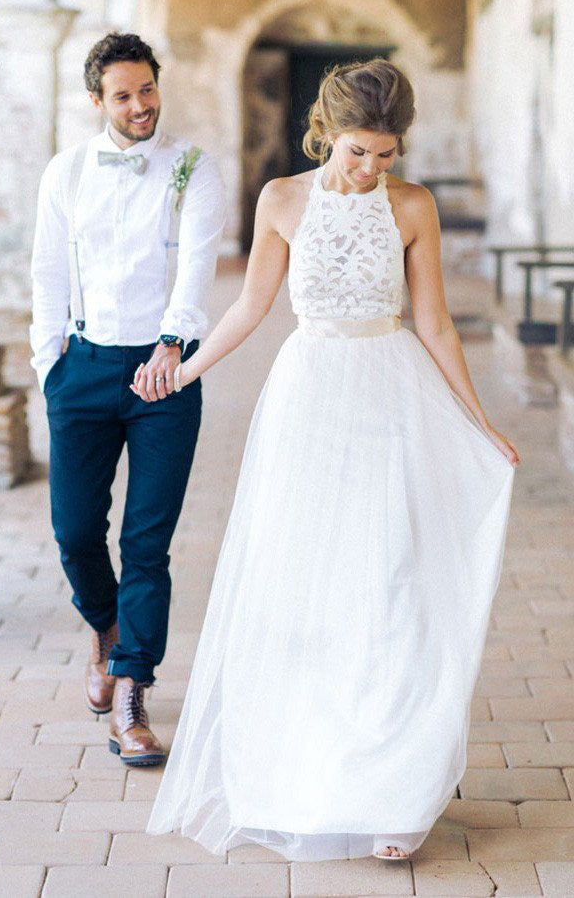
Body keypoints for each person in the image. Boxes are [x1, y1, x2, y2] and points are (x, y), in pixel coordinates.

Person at [146, 59, 518, 858]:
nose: (371, 169)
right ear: (326, 132)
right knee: (301, 584)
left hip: (392, 393)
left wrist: (480, 422)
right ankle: (302, 777)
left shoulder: (413, 206)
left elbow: (438, 325)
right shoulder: (282, 199)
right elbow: (250, 304)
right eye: (357, 152)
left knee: (389, 581)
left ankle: (393, 793)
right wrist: (184, 369)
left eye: (386, 155)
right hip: (308, 398)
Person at [30, 32, 225, 766]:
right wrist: (49, 364)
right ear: (97, 102)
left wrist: (174, 345)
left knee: (146, 542)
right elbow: (49, 271)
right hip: (80, 370)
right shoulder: (65, 172)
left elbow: (199, 266)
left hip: (164, 375)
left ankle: (132, 688)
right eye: (123, 95)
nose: (141, 106)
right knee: (76, 532)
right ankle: (106, 629)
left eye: (148, 90)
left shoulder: (193, 169)